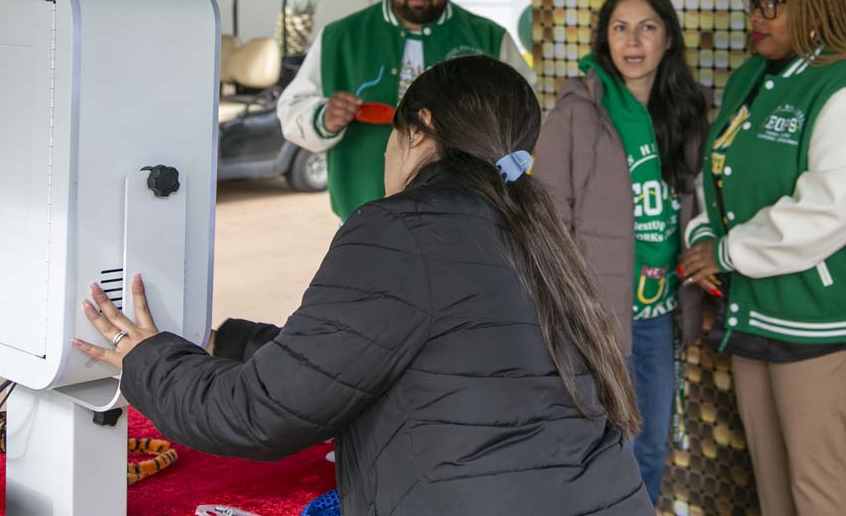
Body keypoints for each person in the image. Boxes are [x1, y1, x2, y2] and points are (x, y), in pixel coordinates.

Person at [74, 55, 652, 515]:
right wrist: (230, 342)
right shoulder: (537, 233)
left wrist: (145, 358)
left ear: (419, 130)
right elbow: (390, 350)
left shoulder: (404, 227)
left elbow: (256, 413)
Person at [679, 0, 846, 516]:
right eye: (753, 3)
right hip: (757, 308)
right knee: (773, 482)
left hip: (822, 320)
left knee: (817, 487)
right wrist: (706, 234)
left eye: (771, 4)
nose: (756, 16)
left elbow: (828, 209)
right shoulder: (750, 77)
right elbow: (716, 172)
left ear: (813, 7)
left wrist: (727, 252)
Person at [533, 0, 709, 505]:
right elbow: (546, 217)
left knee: (651, 448)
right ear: (604, 40)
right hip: (597, 315)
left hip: (658, 314)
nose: (633, 41)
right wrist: (566, 307)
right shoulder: (575, 112)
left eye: (647, 27)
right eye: (620, 28)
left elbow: (698, 211)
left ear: (668, 40)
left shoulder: (686, 115)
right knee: (608, 447)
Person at [278, 0, 535, 220]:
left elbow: (528, 115)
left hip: (469, 217)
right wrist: (324, 117)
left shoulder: (488, 38)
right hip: (363, 215)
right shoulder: (340, 37)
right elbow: (290, 110)